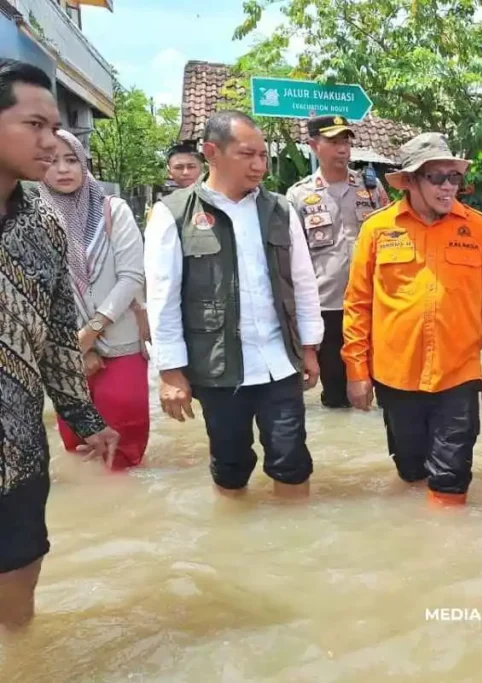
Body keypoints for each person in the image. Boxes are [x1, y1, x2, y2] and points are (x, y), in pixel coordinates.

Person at [144, 110, 324, 499]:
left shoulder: (280, 209)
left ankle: (294, 531)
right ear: (212, 152)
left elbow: (303, 284)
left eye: (262, 155)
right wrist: (170, 372)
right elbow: (162, 297)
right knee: (230, 465)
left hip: (279, 362)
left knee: (292, 461)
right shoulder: (173, 213)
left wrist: (309, 347)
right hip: (217, 366)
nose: (259, 165)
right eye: (247, 154)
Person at [0, 59, 118, 630]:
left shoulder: (44, 226)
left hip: (20, 444)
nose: (51, 142)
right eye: (35, 125)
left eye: (54, 127)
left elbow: (55, 337)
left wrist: (84, 417)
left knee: (20, 573)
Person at [343, 133, 482, 506]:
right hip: (396, 376)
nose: (448, 186)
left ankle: (448, 538)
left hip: (458, 375)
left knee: (451, 480)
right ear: (410, 181)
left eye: (454, 177)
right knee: (410, 472)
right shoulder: (377, 229)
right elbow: (358, 304)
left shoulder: (479, 229)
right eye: (436, 177)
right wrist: (356, 371)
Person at [41, 130, 149, 470]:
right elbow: (37, 290)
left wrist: (93, 330)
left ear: (83, 164)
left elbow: (131, 276)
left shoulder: (113, 210)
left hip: (120, 340)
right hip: (63, 349)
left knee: (125, 442)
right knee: (77, 444)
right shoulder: (33, 218)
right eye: (52, 161)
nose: (63, 169)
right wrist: (75, 346)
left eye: (71, 160)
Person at [287, 115, 389, 409]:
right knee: (336, 393)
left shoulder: (371, 189)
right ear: (313, 145)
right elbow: (292, 257)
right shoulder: (298, 195)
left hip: (373, 301)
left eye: (345, 141)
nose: (342, 148)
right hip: (327, 306)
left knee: (384, 385)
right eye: (333, 141)